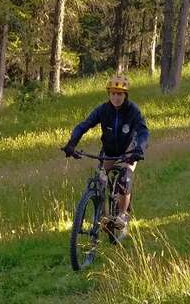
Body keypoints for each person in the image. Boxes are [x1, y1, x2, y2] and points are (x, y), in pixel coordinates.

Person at [62, 74, 149, 229]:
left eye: (120, 94)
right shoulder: (103, 110)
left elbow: (143, 132)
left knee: (125, 178)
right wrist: (72, 143)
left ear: (125, 95)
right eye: (113, 93)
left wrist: (139, 149)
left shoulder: (133, 111)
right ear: (109, 94)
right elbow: (85, 125)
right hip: (109, 151)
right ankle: (103, 218)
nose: (116, 97)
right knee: (100, 179)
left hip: (129, 151)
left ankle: (122, 216)